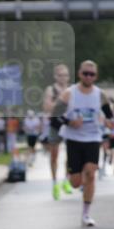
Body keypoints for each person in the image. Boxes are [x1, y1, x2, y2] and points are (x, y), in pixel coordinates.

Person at [50, 60, 114, 227]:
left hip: (93, 138)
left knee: (91, 174)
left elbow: (110, 116)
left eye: (91, 74)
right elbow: (53, 118)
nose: (88, 76)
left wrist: (109, 122)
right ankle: (73, 176)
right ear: (79, 74)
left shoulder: (100, 94)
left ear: (96, 76)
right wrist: (70, 122)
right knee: (76, 182)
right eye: (85, 73)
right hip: (73, 139)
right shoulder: (69, 93)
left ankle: (86, 214)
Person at [43, 64, 74, 200]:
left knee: (71, 155)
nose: (64, 78)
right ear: (56, 76)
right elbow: (47, 107)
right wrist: (61, 99)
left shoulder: (72, 89)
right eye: (61, 75)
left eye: (66, 75)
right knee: (54, 155)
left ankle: (66, 180)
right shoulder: (51, 90)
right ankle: (54, 183)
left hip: (69, 124)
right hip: (55, 124)